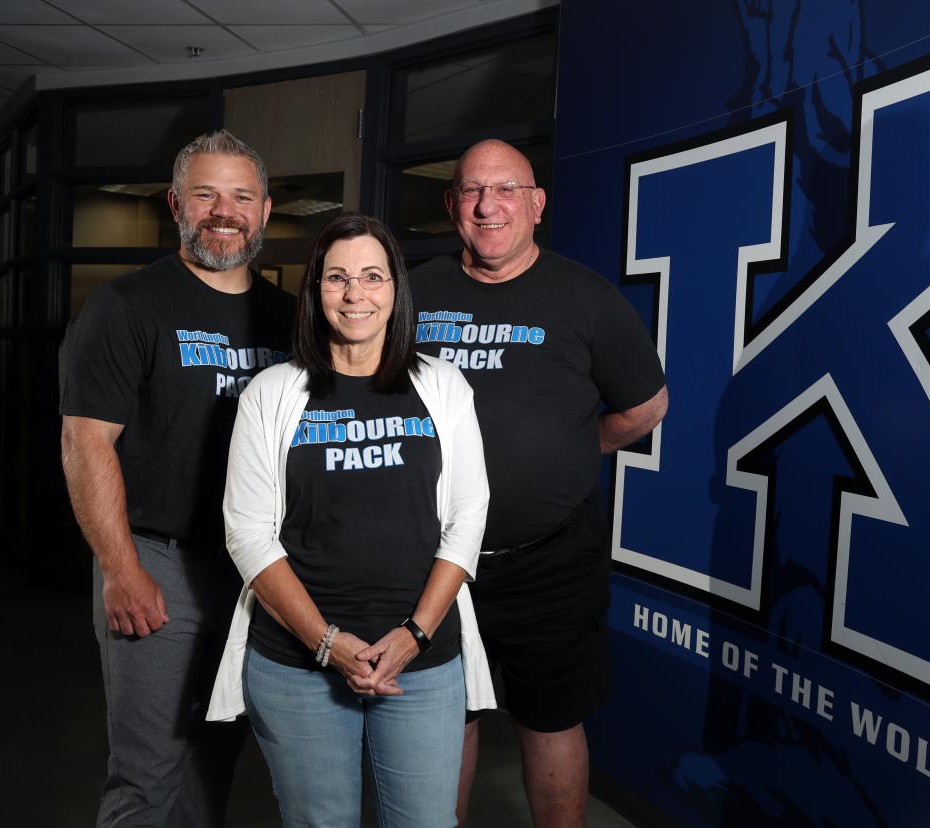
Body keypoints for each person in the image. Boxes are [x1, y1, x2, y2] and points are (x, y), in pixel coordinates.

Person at [205, 212, 495, 826]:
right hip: (297, 666)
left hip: (422, 661)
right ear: (315, 291)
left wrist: (414, 635)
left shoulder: (442, 385)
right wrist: (328, 644)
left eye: (372, 276)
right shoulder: (270, 393)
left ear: (395, 289)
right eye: (336, 278)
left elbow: (468, 517)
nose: (355, 294)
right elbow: (248, 533)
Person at [412, 139, 669, 827]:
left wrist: (567, 451)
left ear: (536, 205)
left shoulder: (586, 297)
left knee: (551, 722)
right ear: (452, 205)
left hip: (550, 563)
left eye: (504, 189)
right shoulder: (414, 292)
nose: (487, 204)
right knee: (442, 719)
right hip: (430, 563)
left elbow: (646, 408)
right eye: (470, 190)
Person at [59, 130, 295, 826]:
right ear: (175, 205)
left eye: (241, 196)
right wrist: (120, 568)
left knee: (216, 759)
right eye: (206, 194)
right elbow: (84, 444)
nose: (225, 211)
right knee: (147, 774)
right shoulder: (125, 307)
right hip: (159, 567)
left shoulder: (290, 317)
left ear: (265, 208)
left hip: (257, 574)